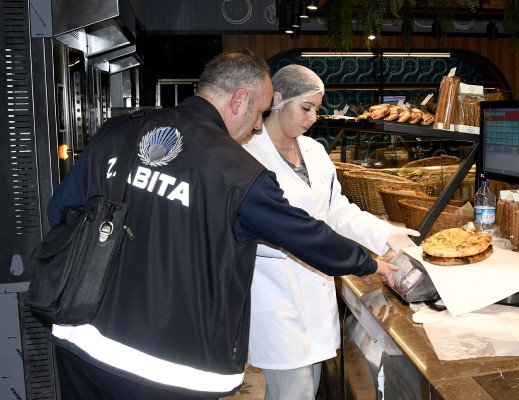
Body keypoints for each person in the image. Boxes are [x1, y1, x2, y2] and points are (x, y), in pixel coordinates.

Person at [45, 49, 400, 400]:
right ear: (239, 100)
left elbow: (61, 211)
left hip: (79, 345)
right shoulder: (238, 172)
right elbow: (304, 234)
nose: (259, 124)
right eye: (260, 112)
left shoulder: (117, 132)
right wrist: (366, 262)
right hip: (163, 368)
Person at [241, 64, 419, 400]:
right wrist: (358, 260)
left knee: (305, 390)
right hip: (276, 292)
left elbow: (337, 210)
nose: (312, 118)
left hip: (316, 293)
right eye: (305, 108)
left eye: (317, 110)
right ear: (278, 99)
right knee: (293, 392)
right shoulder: (248, 154)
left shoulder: (315, 151)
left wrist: (387, 235)